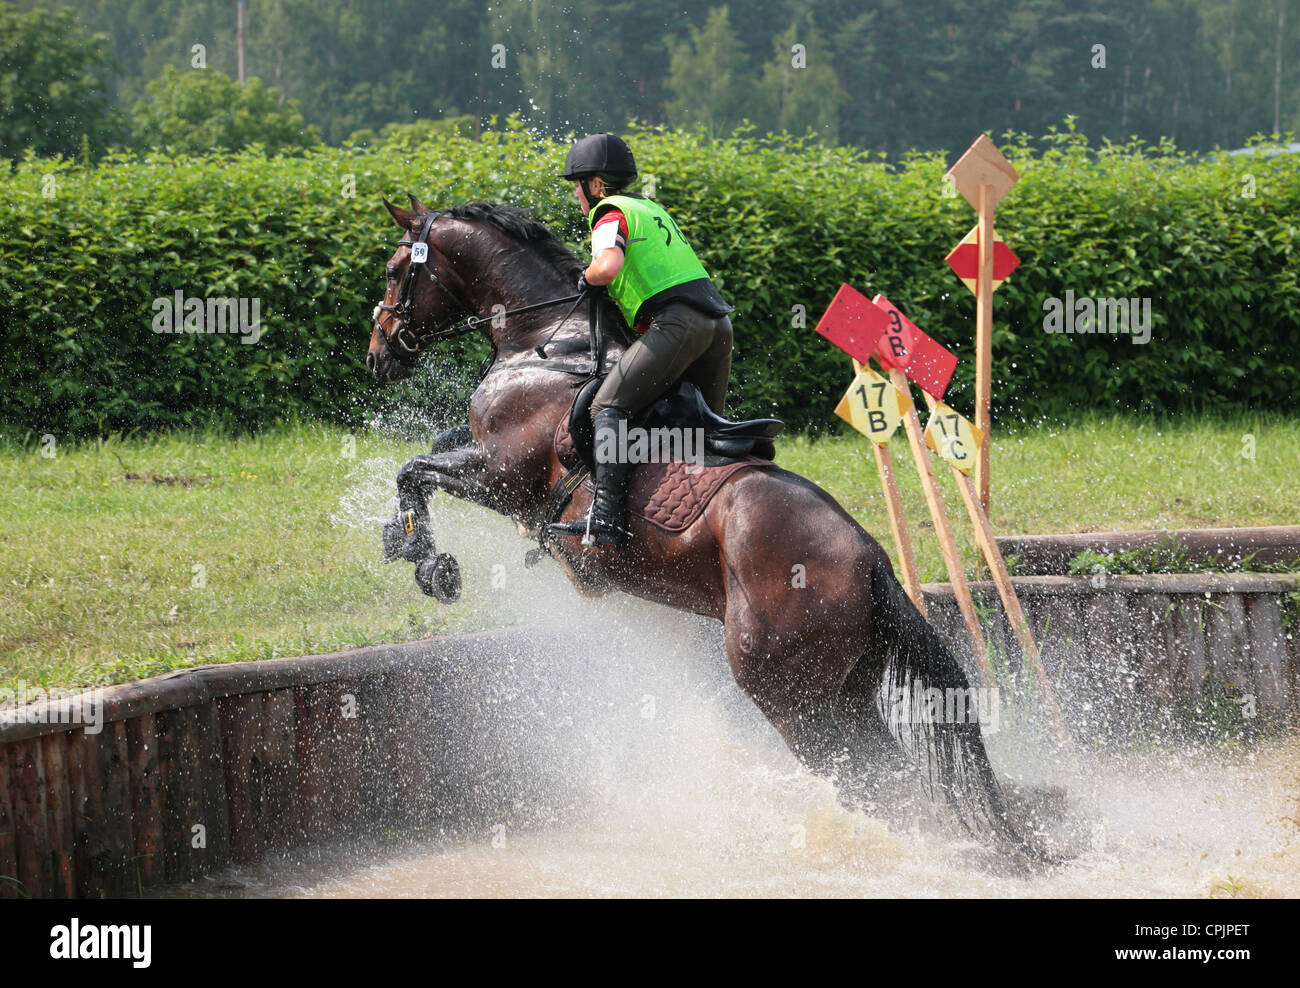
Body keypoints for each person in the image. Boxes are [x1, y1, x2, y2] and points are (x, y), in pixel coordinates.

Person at [549, 133, 735, 548]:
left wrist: (587, 276)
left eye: (576, 187)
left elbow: (608, 266)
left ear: (594, 184)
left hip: (677, 324)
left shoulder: (608, 212)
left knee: (607, 405)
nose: (576, 197)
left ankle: (609, 518)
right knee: (701, 430)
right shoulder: (650, 208)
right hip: (718, 327)